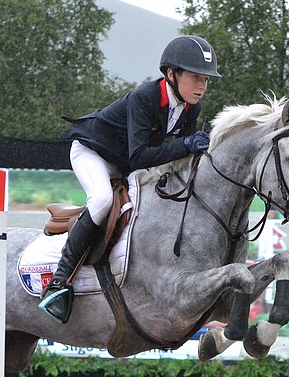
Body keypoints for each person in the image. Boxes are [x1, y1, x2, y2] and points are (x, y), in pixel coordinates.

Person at [39, 35, 221, 324]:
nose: (202, 86)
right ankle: (59, 284)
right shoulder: (145, 98)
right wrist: (185, 146)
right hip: (93, 154)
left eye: (207, 80)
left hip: (124, 164)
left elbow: (177, 158)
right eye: (196, 77)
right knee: (101, 200)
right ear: (171, 74)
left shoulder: (190, 108)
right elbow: (140, 156)